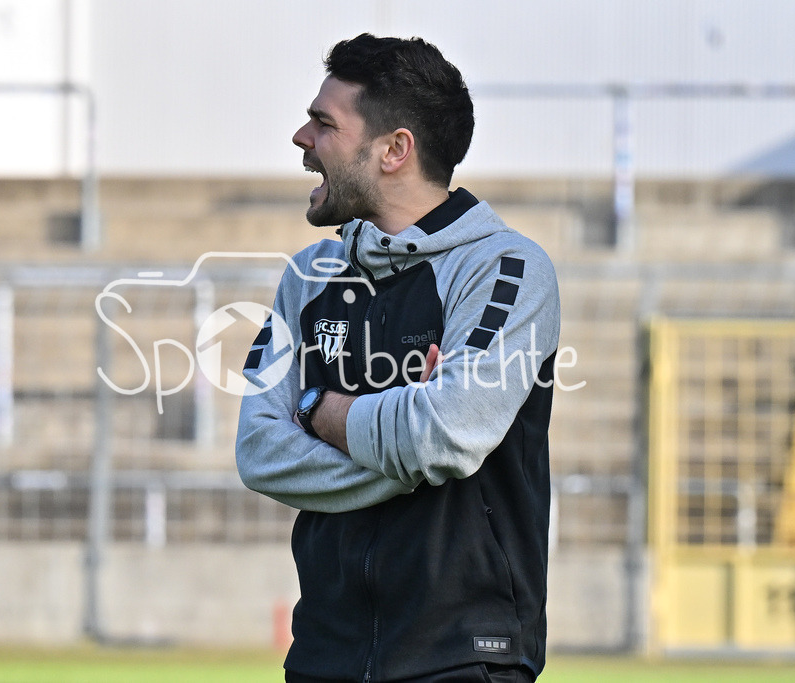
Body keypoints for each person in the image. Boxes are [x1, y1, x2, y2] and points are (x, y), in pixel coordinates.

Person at [236, 33, 560, 683]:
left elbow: (444, 435)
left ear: (394, 150)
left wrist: (317, 408)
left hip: (464, 655)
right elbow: (259, 450)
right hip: (323, 654)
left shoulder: (507, 267)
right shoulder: (307, 275)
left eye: (325, 123)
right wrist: (408, 439)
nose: (302, 137)